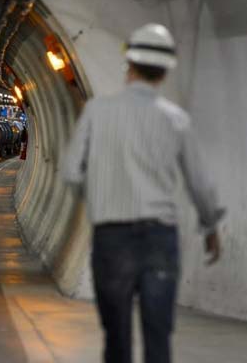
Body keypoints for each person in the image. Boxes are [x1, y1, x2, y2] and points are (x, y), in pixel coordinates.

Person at [61, 23, 225, 363]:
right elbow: (200, 183)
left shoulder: (96, 112)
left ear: (129, 65)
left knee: (117, 339)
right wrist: (210, 227)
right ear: (164, 72)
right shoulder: (176, 120)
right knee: (158, 337)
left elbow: (70, 171)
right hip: (159, 240)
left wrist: (99, 201)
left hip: (112, 239)